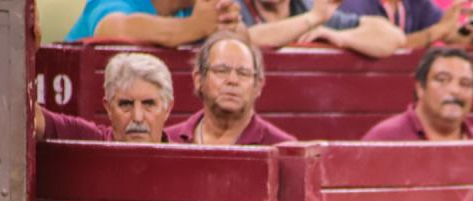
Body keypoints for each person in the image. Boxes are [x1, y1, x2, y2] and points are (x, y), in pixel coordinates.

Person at [166, 31, 296, 145]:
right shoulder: (167, 141)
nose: (233, 80)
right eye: (221, 70)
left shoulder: (281, 147)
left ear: (258, 85)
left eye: (243, 73)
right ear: (199, 79)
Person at [36, 52, 174, 142]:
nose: (137, 117)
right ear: (108, 107)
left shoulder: (187, 160)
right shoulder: (88, 139)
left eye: (148, 104)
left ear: (167, 109)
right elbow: (33, 119)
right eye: (126, 104)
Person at [362, 46, 473, 141]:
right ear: (420, 88)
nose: (455, 90)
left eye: (465, 83)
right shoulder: (385, 138)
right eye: (442, 80)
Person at [236, 0, 405, 57]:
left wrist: (339, 37)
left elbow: (394, 37)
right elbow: (243, 39)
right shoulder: (233, 7)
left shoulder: (307, 7)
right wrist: (314, 18)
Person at [65, 0, 241, 46]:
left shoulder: (193, 10)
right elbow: (110, 28)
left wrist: (224, 19)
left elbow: (241, 36)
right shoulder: (114, 2)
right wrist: (194, 27)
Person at [337, 0, 473, 49]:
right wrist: (435, 32)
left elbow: (455, 38)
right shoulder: (350, 4)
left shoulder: (415, 4)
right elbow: (378, 47)